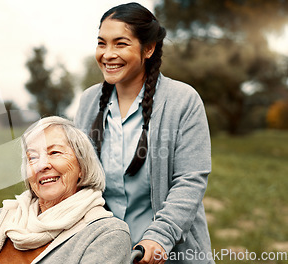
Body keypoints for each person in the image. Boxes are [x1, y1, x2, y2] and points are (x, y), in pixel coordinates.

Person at [74, 3, 213, 264]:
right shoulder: (89, 102)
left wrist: (158, 238)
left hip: (170, 253)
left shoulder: (183, 101)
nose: (108, 54)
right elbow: (79, 178)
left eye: (121, 44)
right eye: (102, 43)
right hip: (104, 252)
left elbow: (190, 181)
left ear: (148, 48)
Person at [0, 116, 131, 264]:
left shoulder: (107, 234)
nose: (41, 165)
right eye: (32, 157)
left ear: (82, 167)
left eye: (54, 152)